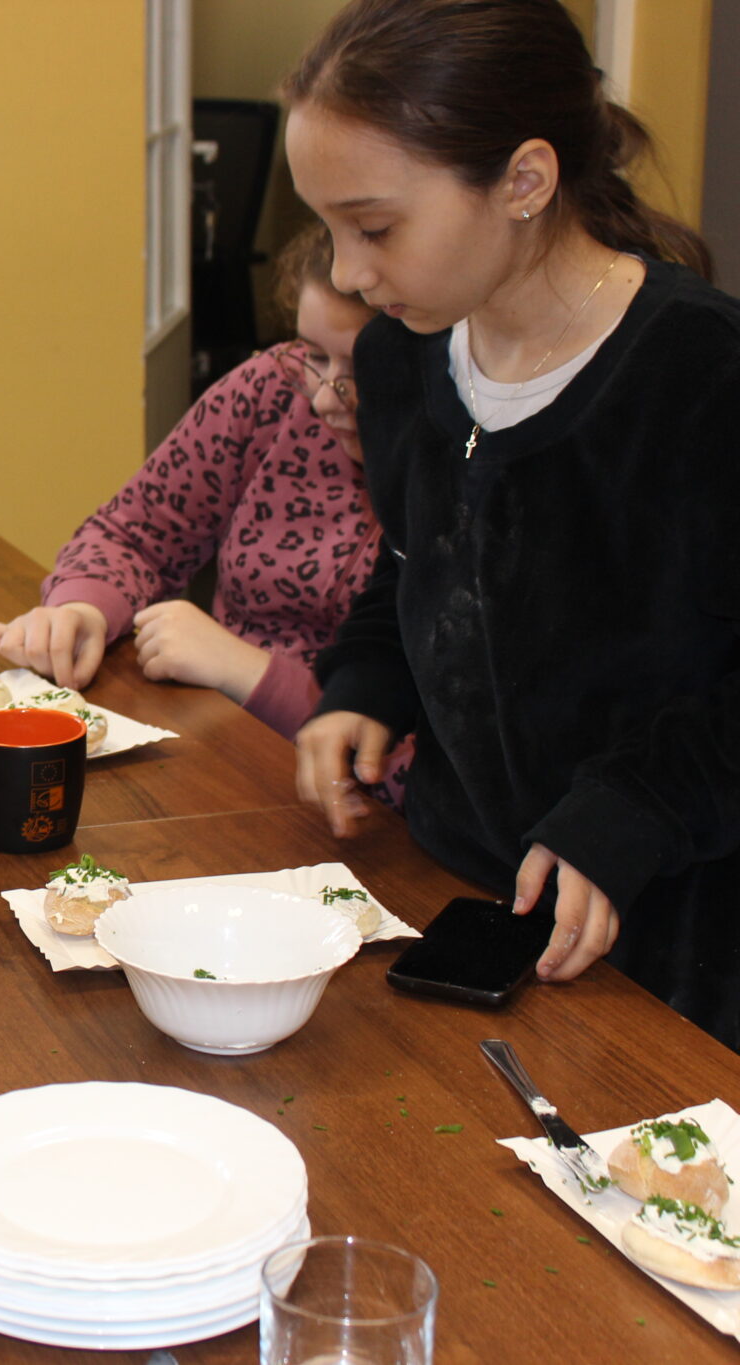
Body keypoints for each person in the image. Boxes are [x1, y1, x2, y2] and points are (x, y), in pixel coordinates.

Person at [283, 0, 740, 1047]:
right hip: (463, 896)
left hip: (671, 943)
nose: (348, 273)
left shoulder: (701, 378)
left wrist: (632, 812)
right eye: (328, 231)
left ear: (523, 183)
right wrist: (362, 689)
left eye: (375, 227)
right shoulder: (404, 355)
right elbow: (416, 572)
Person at [0, 225, 384, 741]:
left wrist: (249, 673)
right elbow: (131, 534)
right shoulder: (272, 390)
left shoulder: (467, 465)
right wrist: (83, 608)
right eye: (315, 357)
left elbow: (423, 762)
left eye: (360, 370)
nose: (325, 397)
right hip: (225, 737)